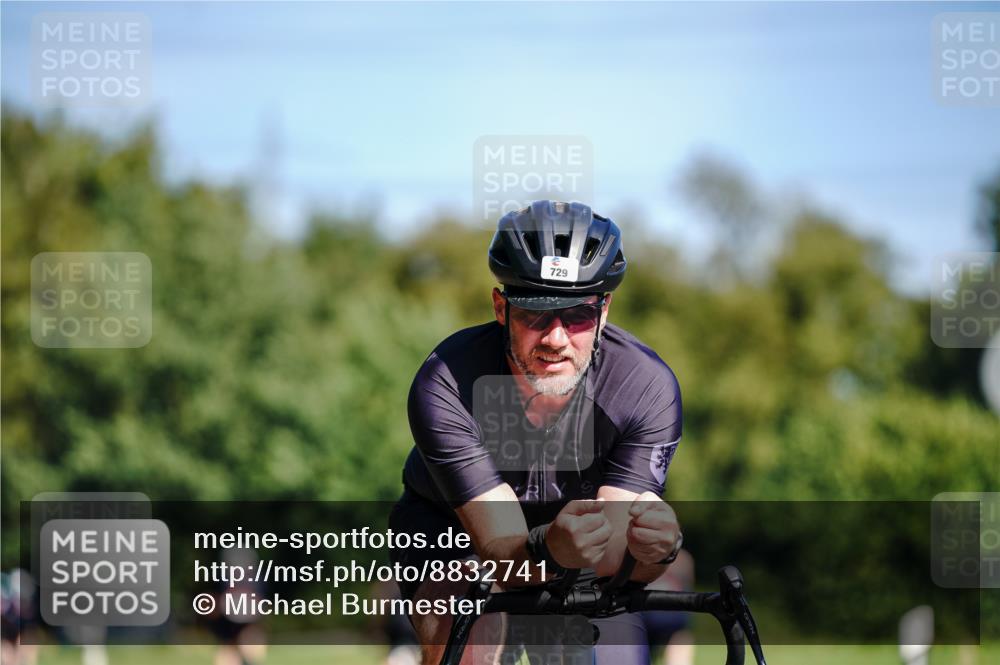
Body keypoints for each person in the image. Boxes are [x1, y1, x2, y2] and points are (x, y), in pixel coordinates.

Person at [389, 200, 684, 665]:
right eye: (536, 314)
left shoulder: (644, 387)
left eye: (578, 316)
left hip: (576, 549)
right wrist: (551, 548)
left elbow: (619, 555)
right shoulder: (447, 379)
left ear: (604, 310)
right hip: (456, 533)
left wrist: (658, 551)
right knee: (468, 629)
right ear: (500, 307)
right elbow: (500, 549)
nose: (555, 338)